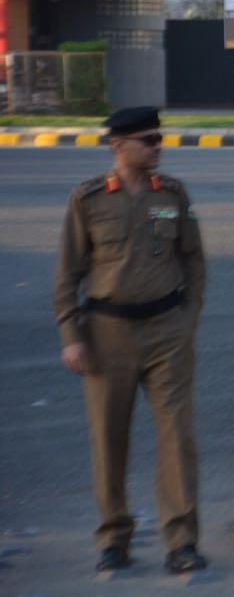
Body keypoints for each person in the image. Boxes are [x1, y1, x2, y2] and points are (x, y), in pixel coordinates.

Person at [52, 107, 208, 574]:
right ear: (117, 146)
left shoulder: (173, 194)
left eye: (160, 138)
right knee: (109, 438)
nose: (158, 147)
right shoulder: (88, 199)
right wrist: (72, 335)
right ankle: (114, 536)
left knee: (178, 437)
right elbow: (67, 275)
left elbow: (193, 260)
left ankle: (181, 540)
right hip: (108, 334)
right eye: (148, 140)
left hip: (167, 329)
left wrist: (187, 318)